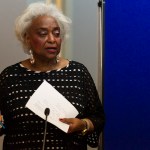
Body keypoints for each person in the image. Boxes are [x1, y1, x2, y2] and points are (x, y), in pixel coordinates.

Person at [0, 2, 105, 150]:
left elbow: (98, 118)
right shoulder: (9, 77)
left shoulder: (78, 73)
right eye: (43, 34)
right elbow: (2, 123)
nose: (52, 39)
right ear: (27, 38)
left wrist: (83, 125)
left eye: (56, 33)